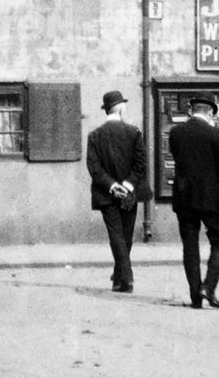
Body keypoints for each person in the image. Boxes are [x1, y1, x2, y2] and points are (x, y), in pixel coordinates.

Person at [169, 94, 219, 309]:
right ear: (210, 112)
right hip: (212, 199)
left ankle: (195, 297)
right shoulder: (215, 134)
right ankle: (208, 286)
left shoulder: (175, 132)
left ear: (191, 110)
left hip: (185, 198)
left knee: (190, 247)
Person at [86, 89, 149, 293]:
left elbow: (94, 168)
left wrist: (113, 186)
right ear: (121, 108)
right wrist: (127, 186)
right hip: (129, 194)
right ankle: (127, 277)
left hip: (106, 194)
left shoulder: (95, 135)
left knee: (116, 235)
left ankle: (120, 277)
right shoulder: (134, 132)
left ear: (107, 110)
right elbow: (141, 165)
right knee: (126, 236)